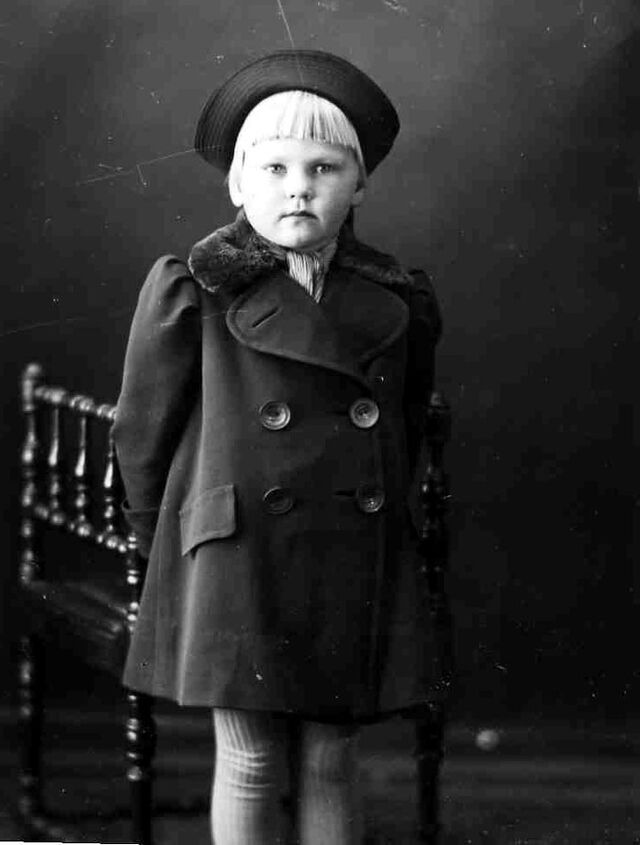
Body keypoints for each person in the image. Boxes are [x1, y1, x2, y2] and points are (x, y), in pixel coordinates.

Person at [113, 49, 447, 845]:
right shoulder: (194, 288)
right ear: (237, 184)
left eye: (324, 167)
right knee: (251, 754)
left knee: (332, 755)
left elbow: (402, 427)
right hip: (238, 556)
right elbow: (143, 431)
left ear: (359, 186)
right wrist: (158, 539)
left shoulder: (396, 300)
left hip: (348, 553)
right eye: (274, 167)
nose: (299, 186)